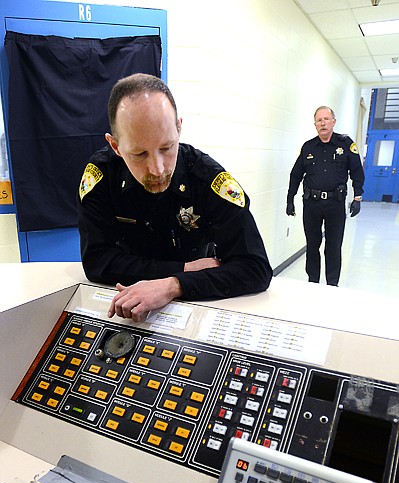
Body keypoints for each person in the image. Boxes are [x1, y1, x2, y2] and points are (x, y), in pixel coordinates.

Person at [78, 73, 272, 321]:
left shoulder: (207, 179)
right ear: (115, 146)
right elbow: (97, 261)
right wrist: (182, 269)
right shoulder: (101, 177)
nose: (158, 169)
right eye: (139, 154)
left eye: (167, 148)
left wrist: (174, 284)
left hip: (195, 307)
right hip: (126, 305)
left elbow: (255, 269)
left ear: (179, 128)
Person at [286, 106, 364, 286]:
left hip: (335, 204)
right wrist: (290, 199)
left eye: (326, 119)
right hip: (311, 205)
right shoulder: (308, 147)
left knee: (333, 246)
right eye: (319, 120)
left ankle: (332, 285)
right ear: (315, 124)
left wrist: (357, 197)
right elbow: (295, 174)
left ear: (333, 122)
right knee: (312, 246)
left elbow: (357, 171)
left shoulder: (345, 144)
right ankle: (312, 282)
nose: (323, 123)